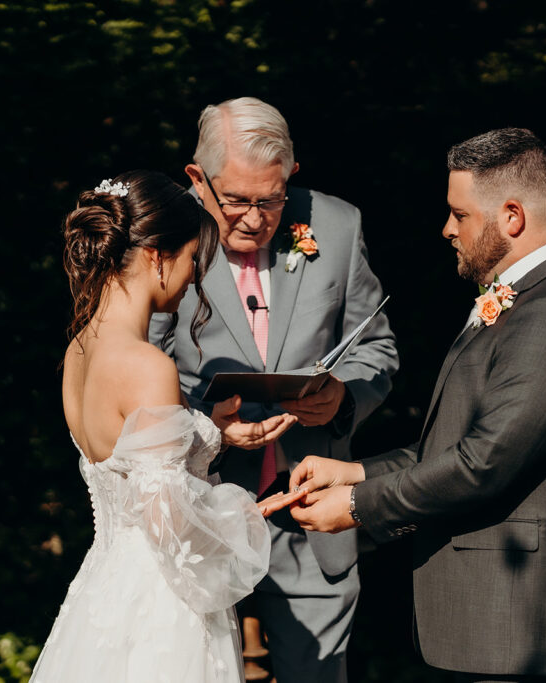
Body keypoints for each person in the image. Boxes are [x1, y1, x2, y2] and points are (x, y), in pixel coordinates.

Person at [289, 129, 546, 683]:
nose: (447, 228)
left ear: (512, 216)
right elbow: (456, 447)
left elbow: (484, 463)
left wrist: (357, 504)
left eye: (459, 214)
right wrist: (353, 469)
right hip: (497, 631)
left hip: (529, 628)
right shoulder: (525, 301)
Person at [149, 97, 399, 683]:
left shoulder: (337, 225)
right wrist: (206, 427)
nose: (257, 219)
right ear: (196, 179)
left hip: (311, 509)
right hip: (199, 511)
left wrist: (343, 399)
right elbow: (138, 356)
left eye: (273, 197)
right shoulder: (163, 233)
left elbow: (377, 348)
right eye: (237, 200)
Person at [31, 170, 304, 683]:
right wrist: (250, 513)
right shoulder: (147, 364)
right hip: (162, 604)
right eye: (191, 261)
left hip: (105, 587)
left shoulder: (80, 350)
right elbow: (167, 523)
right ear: (158, 256)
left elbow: (128, 457)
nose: (194, 279)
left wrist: (212, 434)